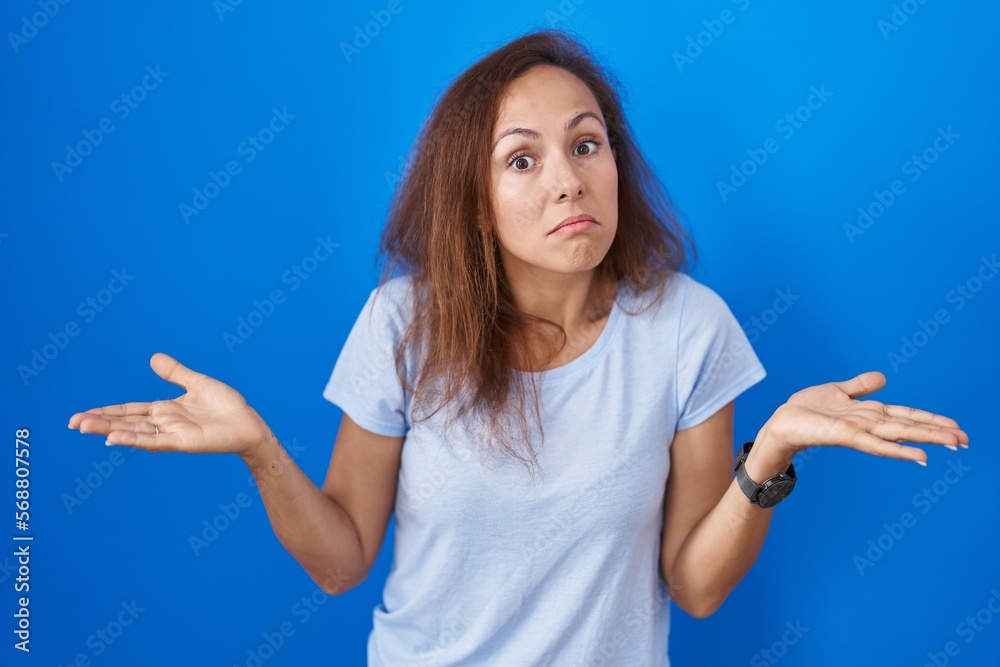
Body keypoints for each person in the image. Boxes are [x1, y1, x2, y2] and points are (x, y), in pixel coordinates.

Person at [68, 29, 967, 666]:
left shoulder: (690, 328)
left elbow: (693, 586)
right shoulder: (402, 324)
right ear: (474, 198)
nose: (569, 179)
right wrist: (262, 451)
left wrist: (767, 457)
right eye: (523, 159)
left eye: (587, 144)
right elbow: (341, 560)